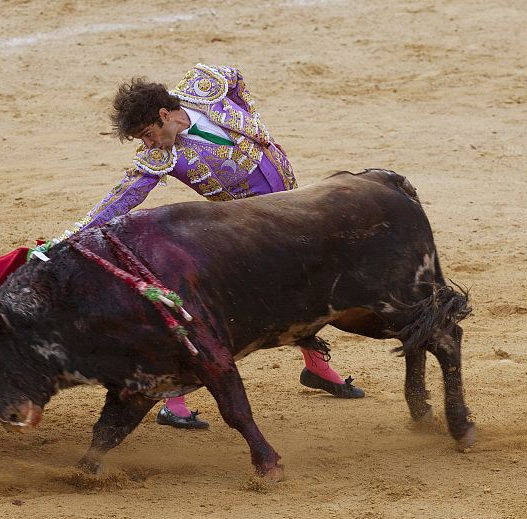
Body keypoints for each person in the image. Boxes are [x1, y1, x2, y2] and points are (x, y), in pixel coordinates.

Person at [34, 64, 365, 431]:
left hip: (293, 207)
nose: (148, 145)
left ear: (165, 114)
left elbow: (235, 77)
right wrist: (65, 241)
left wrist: (252, 113)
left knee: (307, 287)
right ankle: (173, 401)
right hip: (250, 235)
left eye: (147, 134)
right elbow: (117, 202)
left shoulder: (206, 87)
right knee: (235, 312)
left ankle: (316, 368)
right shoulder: (163, 158)